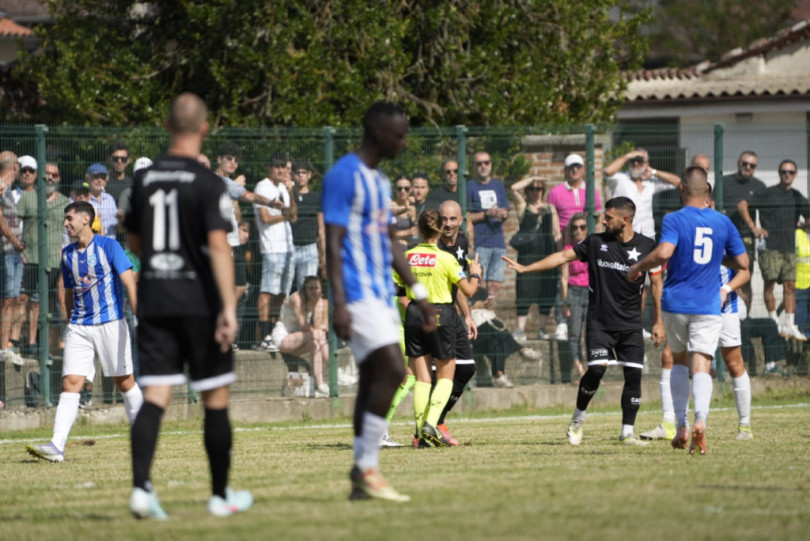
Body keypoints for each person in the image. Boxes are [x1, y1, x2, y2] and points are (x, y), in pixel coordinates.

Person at [124, 92, 252, 518]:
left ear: (166, 126)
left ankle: (141, 489)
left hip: (156, 298)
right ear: (205, 129)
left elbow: (135, 242)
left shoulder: (143, 181)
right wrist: (228, 309)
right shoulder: (209, 183)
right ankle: (219, 496)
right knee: (214, 398)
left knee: (155, 395)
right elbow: (219, 247)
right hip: (199, 303)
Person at [322, 101, 435, 502]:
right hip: (356, 294)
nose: (403, 142)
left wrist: (419, 293)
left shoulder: (380, 181)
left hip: (382, 294)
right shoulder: (344, 175)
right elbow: (332, 242)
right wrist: (338, 302)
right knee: (391, 369)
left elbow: (389, 242)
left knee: (375, 378)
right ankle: (366, 466)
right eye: (399, 135)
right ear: (377, 133)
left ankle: (361, 475)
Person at [504, 196, 664, 446]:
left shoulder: (647, 246)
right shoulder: (595, 242)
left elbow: (656, 284)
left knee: (633, 375)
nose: (603, 221)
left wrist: (658, 321)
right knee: (597, 370)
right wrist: (526, 268)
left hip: (631, 324)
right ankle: (578, 418)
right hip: (599, 322)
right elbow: (562, 257)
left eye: (608, 217)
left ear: (626, 219)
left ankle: (627, 433)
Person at [629, 167, 748, 455]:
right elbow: (743, 263)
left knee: (678, 362)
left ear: (681, 190)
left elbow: (664, 252)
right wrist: (718, 258)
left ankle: (681, 424)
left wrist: (638, 266)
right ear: (707, 192)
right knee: (702, 365)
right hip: (709, 305)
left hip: (676, 304)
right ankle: (700, 422)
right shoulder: (723, 222)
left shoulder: (674, 218)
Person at [25, 201, 142, 462]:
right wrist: (70, 322)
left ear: (86, 219)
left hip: (111, 323)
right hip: (79, 327)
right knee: (70, 382)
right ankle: (56, 446)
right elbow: (68, 292)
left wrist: (139, 319)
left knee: (124, 382)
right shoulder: (67, 253)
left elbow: (130, 284)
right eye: (65, 219)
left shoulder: (109, 246)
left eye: (70, 218)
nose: (65, 223)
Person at [398, 209, 481, 448]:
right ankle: (431, 424)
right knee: (446, 376)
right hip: (440, 314)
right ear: (439, 230)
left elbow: (396, 288)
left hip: (414, 313)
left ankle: (419, 436)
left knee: (423, 379)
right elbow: (469, 291)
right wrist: (475, 275)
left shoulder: (407, 256)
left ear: (419, 229)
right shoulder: (445, 258)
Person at [738, 158, 809, 340]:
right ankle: (774, 323)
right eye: (784, 172)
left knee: (790, 286)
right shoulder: (767, 193)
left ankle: (790, 325)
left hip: (789, 248)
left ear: (795, 175)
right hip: (769, 247)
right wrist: (754, 227)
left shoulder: (796, 196)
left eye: (790, 172)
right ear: (779, 173)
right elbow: (742, 205)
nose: (787, 175)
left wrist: (803, 225)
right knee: (769, 285)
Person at [547, 153, 604, 341]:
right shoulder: (555, 193)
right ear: (565, 169)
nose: (575, 170)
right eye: (571, 166)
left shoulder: (591, 191)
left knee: (589, 279)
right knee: (562, 281)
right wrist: (559, 243)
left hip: (587, 243)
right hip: (566, 243)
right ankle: (561, 322)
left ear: (582, 169)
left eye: (578, 166)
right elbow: (554, 221)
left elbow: (597, 216)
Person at [18, 159, 70, 358]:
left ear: (59, 178)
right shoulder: (29, 197)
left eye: (54, 175)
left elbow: (68, 233)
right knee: (29, 301)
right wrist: (19, 250)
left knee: (49, 303)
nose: (50, 178)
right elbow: (16, 224)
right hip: (30, 258)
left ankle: (46, 347)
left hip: (55, 261)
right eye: (46, 174)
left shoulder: (65, 202)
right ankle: (29, 343)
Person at [254, 155, 297, 353]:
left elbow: (294, 216)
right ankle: (262, 336)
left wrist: (290, 191)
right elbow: (265, 218)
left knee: (281, 294)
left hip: (288, 248)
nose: (281, 171)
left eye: (283, 167)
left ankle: (273, 332)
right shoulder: (263, 187)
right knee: (267, 291)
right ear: (270, 168)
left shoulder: (284, 188)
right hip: (271, 247)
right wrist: (284, 215)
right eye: (277, 167)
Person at [509, 176, 561, 342]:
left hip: (547, 253)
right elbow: (514, 188)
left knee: (547, 290)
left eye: (538, 188)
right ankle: (520, 329)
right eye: (532, 188)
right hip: (527, 256)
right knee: (524, 290)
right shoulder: (523, 207)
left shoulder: (550, 208)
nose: (535, 192)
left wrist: (560, 256)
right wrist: (533, 178)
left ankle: (542, 329)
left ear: (543, 191)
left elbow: (556, 233)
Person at [604, 148, 681, 239]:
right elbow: (608, 171)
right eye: (633, 160)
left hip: (647, 234)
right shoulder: (621, 179)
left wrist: (654, 172)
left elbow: (676, 181)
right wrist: (628, 156)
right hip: (624, 235)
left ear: (646, 164)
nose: (636, 163)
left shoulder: (650, 182)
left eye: (639, 161)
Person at [721, 150, 766, 308]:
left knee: (745, 275)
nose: (748, 167)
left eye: (752, 165)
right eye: (745, 163)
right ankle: (725, 312)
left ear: (755, 168)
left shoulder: (759, 186)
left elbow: (767, 211)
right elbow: (712, 204)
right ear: (738, 163)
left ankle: (745, 317)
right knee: (724, 275)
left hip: (745, 238)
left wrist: (758, 229)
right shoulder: (724, 182)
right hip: (724, 237)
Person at [273, 276, 330, 396]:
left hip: (299, 341)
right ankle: (333, 367)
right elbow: (304, 325)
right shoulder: (296, 297)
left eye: (316, 288)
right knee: (318, 335)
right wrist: (319, 332)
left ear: (321, 289)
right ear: (305, 289)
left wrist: (318, 306)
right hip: (284, 339)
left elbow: (318, 327)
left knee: (315, 344)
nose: (314, 291)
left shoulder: (318, 301)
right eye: (310, 288)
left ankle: (320, 385)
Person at [467, 151, 510, 302]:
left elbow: (506, 210)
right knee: (478, 282)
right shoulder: (469, 186)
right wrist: (487, 214)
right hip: (480, 242)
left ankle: (489, 311)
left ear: (491, 164)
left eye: (486, 162)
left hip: (498, 242)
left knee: (495, 284)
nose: (483, 166)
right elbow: (466, 216)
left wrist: (503, 214)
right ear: (474, 166)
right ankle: (477, 311)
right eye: (479, 163)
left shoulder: (498, 185)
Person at [0, 152, 24, 366]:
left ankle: (7, 345)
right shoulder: (0, 186)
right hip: (6, 251)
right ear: (14, 167)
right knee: (8, 300)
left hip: (15, 252)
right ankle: (3, 348)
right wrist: (14, 240)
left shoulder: (8, 190)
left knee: (14, 299)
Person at [560, 213, 589, 379]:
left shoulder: (592, 246)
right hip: (574, 292)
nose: (578, 230)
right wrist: (564, 303)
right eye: (575, 227)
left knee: (592, 334)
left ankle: (592, 371)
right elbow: (564, 278)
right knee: (575, 333)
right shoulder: (567, 250)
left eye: (582, 227)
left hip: (591, 293)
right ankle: (581, 371)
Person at [290, 160, 325, 291]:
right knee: (283, 289)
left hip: (309, 248)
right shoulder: (287, 195)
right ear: (292, 175)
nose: (301, 176)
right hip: (288, 247)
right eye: (297, 173)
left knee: (306, 289)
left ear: (309, 175)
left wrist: (323, 256)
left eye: (304, 173)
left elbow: (321, 229)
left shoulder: (317, 198)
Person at [391, 175, 416, 247]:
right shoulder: (388, 205)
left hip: (408, 246)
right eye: (399, 188)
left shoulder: (412, 208)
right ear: (394, 189)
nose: (402, 191)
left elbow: (414, 231)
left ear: (411, 189)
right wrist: (406, 233)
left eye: (406, 189)